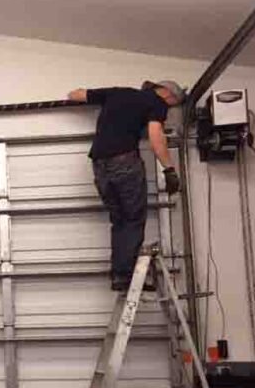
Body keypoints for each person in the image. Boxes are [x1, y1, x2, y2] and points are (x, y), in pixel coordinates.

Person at [67, 80, 185, 292]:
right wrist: (169, 170)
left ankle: (120, 275)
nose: (170, 105)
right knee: (133, 218)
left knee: (119, 219)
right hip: (124, 161)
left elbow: (74, 95)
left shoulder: (117, 92)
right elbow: (156, 137)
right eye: (174, 102)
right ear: (168, 93)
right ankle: (125, 275)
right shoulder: (156, 103)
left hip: (99, 165)